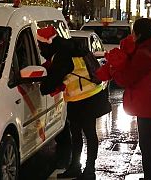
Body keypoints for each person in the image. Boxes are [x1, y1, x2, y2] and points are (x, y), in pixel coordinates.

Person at [96, 18, 151, 180]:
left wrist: (114, 71)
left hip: (144, 102)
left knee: (145, 144)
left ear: (141, 33)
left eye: (134, 33)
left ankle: (150, 176)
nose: (133, 36)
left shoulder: (143, 53)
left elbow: (128, 78)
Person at [36, 26, 112, 180]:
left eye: (40, 45)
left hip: (82, 100)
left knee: (84, 135)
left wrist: (43, 85)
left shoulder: (62, 56)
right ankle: (79, 167)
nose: (40, 49)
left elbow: (50, 83)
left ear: (47, 44)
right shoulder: (72, 47)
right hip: (91, 95)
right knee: (83, 134)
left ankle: (87, 170)